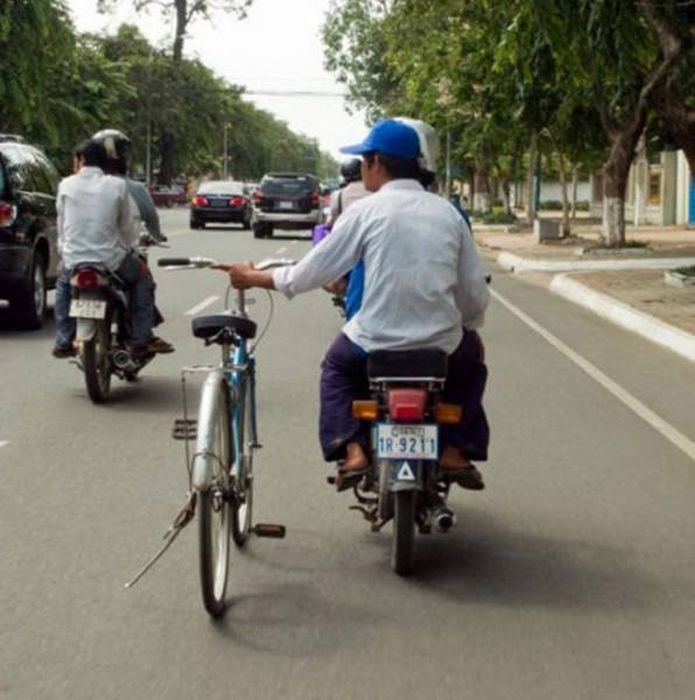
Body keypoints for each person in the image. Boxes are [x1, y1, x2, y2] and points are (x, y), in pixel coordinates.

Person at [214, 119, 490, 488]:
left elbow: (306, 274)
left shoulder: (365, 211)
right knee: (471, 364)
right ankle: (455, 450)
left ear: (376, 162)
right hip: (439, 345)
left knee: (336, 370)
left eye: (363, 160)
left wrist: (252, 277)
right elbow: (473, 294)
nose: (361, 168)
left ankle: (352, 450)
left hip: (372, 340)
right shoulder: (449, 214)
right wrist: (467, 326)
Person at [52, 139, 170, 358]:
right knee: (142, 280)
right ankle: (141, 338)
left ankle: (63, 340)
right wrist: (131, 250)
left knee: (63, 285)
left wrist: (65, 254)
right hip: (110, 261)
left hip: (74, 259)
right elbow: (128, 226)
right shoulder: (117, 185)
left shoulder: (65, 185)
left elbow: (62, 225)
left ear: (81, 159)